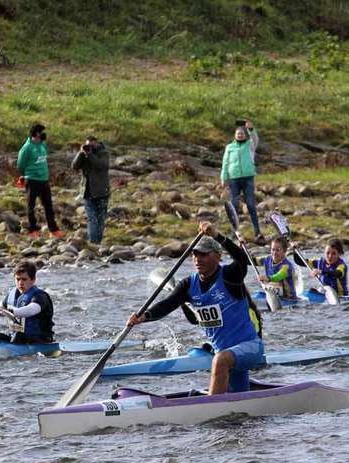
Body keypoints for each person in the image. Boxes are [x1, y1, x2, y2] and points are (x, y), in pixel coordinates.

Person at [127, 222, 265, 394]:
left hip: (249, 347)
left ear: (217, 256)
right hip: (224, 353)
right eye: (195, 255)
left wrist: (217, 235)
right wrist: (144, 316)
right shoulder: (188, 285)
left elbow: (242, 259)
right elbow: (167, 304)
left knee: (220, 360)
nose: (198, 259)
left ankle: (212, 412)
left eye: (204, 255)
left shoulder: (231, 275)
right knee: (238, 400)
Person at [0, 261, 55, 344]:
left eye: (24, 279)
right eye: (18, 279)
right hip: (19, 338)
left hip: (40, 340)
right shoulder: (12, 294)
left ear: (33, 280)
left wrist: (9, 311)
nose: (20, 283)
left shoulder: (39, 296)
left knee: (18, 337)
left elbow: (30, 310)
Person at [221, 119, 265, 244]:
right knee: (233, 205)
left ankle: (257, 231)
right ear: (235, 135)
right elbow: (225, 163)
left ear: (245, 135)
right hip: (233, 179)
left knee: (251, 205)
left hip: (248, 178)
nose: (240, 134)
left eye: (242, 133)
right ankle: (235, 231)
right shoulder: (229, 147)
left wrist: (251, 129)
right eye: (238, 133)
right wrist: (224, 178)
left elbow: (255, 138)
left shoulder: (250, 145)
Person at [17, 123, 64, 238]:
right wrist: (25, 175)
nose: (44, 134)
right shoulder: (27, 147)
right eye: (41, 132)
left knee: (48, 205)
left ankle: (53, 230)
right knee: (31, 205)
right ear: (36, 133)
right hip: (32, 180)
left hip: (44, 180)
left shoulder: (43, 145)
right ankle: (33, 230)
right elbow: (20, 164)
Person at [71, 135, 110, 243]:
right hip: (87, 192)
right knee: (91, 218)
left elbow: (102, 165)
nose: (90, 147)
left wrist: (90, 154)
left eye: (92, 145)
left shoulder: (103, 153)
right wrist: (81, 153)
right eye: (88, 145)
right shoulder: (84, 154)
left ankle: (98, 240)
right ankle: (93, 241)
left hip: (101, 191)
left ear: (96, 143)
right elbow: (74, 166)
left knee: (101, 218)